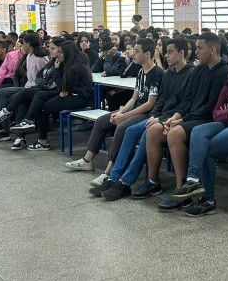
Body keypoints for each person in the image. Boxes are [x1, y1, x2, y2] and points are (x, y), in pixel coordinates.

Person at [168, 50, 228, 216]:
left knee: (207, 148)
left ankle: (208, 200)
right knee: (199, 131)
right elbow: (215, 113)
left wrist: (227, 114)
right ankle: (193, 179)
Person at [97, 39, 194, 201]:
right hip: (161, 115)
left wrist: (163, 118)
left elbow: (186, 103)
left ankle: (126, 181)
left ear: (182, 53)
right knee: (130, 130)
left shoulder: (191, 73)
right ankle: (114, 177)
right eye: (166, 51)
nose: (165, 55)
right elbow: (161, 101)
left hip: (176, 118)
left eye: (170, 52)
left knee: (146, 134)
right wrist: (155, 115)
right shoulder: (169, 73)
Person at [146, 32, 228, 211]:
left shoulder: (224, 71)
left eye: (200, 48)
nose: (196, 51)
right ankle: (153, 181)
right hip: (192, 117)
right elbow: (187, 98)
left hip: (210, 120)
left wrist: (181, 121)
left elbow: (211, 107)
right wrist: (175, 116)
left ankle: (182, 190)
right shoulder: (199, 69)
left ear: (213, 49)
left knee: (175, 133)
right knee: (154, 130)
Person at [66, 38, 162, 182]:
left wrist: (125, 116)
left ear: (147, 54)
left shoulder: (157, 74)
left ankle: (109, 171)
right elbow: (134, 98)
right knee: (101, 121)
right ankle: (88, 160)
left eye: (136, 51)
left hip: (147, 114)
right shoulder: (141, 72)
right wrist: (120, 112)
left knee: (122, 127)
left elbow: (149, 104)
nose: (132, 54)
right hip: (135, 109)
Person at [9, 41, 93, 150]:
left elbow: (62, 85)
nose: (59, 55)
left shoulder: (75, 66)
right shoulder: (68, 63)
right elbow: (61, 86)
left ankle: (42, 141)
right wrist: (64, 87)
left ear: (68, 53)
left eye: (61, 53)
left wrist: (57, 69)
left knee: (43, 107)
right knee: (39, 97)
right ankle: (29, 122)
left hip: (79, 97)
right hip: (69, 93)